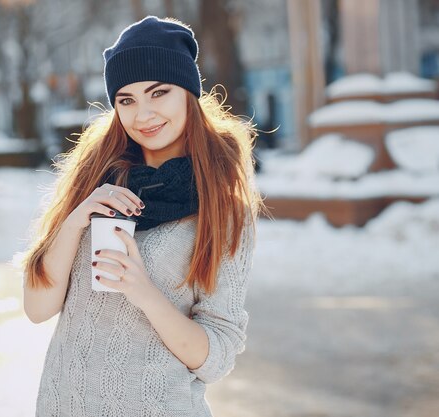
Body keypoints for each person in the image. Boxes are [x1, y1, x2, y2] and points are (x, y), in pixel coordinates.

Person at [19, 15, 264, 417]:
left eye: (159, 92)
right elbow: (37, 308)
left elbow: (216, 357)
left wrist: (144, 292)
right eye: (126, 100)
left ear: (188, 92)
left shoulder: (222, 208)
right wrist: (75, 220)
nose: (143, 114)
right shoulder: (95, 179)